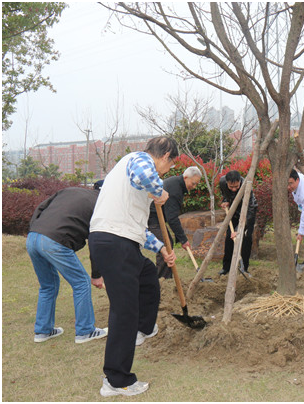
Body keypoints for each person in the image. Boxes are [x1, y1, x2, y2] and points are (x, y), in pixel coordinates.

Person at [88, 136, 178, 397]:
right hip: (114, 242)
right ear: (165, 156)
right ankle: (117, 381)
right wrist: (160, 192)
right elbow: (144, 174)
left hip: (119, 240)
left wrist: (161, 248)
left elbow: (137, 229)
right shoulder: (139, 160)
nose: (167, 171)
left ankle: (143, 328)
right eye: (170, 165)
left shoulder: (132, 180)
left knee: (148, 273)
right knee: (124, 311)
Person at [26, 181, 108, 344]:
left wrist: (35, 230)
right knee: (81, 282)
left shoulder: (70, 191)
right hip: (54, 241)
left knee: (48, 285)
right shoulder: (101, 205)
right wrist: (96, 275)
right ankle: (85, 331)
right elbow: (95, 242)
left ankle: (43, 331)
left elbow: (40, 208)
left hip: (33, 237)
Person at [148, 166, 202, 279]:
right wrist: (183, 239)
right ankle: (163, 280)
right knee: (166, 246)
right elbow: (172, 218)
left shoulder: (177, 183)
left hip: (158, 217)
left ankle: (166, 278)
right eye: (193, 183)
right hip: (151, 218)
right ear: (186, 177)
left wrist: (181, 239)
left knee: (168, 244)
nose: (194, 186)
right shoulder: (175, 189)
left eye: (196, 184)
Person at [218, 170, 257, 276]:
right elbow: (225, 194)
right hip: (234, 211)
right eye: (231, 187)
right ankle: (226, 267)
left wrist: (238, 229)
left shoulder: (246, 186)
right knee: (229, 239)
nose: (234, 189)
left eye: (236, 186)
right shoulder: (222, 182)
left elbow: (250, 208)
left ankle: (244, 268)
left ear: (240, 181)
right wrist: (225, 200)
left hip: (248, 213)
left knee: (246, 239)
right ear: (226, 183)